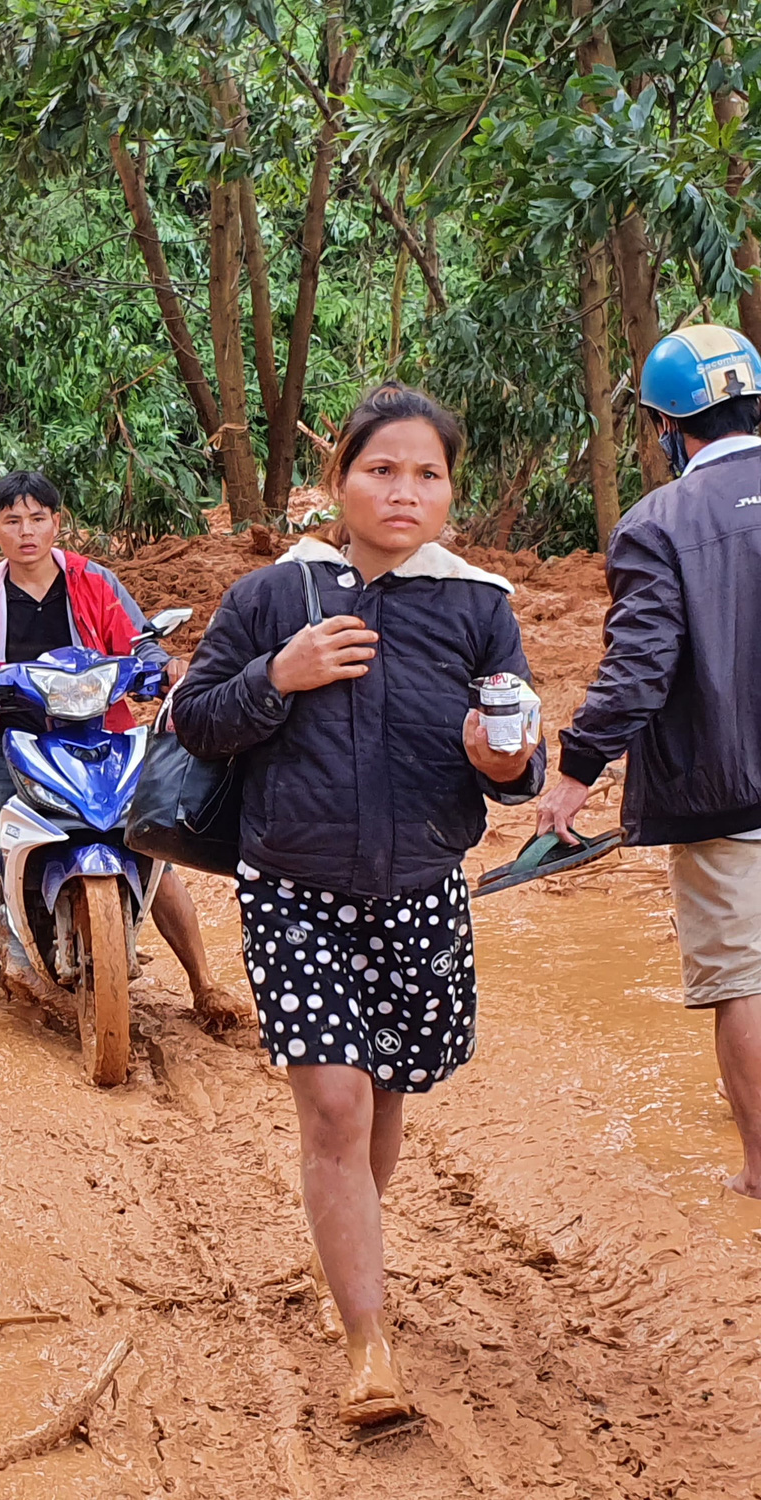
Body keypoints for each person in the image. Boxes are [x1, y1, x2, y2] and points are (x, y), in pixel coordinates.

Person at [171, 383, 543, 1425]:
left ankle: (349, 1254)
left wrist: (503, 763)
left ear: (448, 496)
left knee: (381, 1097)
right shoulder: (268, 598)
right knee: (332, 1104)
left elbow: (517, 759)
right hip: (290, 888)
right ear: (334, 481)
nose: (402, 491)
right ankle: (367, 1344)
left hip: (420, 893)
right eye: (380, 469)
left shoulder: (478, 606)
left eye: (426, 474)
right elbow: (193, 721)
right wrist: (276, 677)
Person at [534, 324, 761, 1198]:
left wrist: (576, 772)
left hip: (724, 792)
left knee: (741, 975)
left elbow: (638, 671)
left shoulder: (655, 524)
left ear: (668, 427)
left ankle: (757, 1174)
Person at [0, 470, 245, 1030]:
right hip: (13, 739)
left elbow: (138, 641)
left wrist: (163, 666)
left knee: (152, 842)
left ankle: (204, 984)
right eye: (13, 521)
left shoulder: (95, 580)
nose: (27, 531)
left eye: (38, 518)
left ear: (57, 524)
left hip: (99, 735)